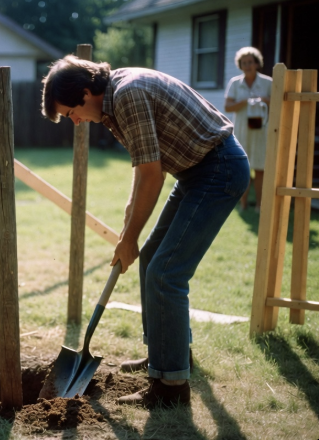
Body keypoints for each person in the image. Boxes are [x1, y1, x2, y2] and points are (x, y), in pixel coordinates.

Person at [41, 56, 250, 408]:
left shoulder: (127, 96)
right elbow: (143, 172)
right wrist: (127, 232)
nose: (75, 122)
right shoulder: (111, 105)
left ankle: (171, 386)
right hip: (195, 171)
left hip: (218, 170)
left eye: (71, 112)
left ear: (87, 92)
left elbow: (153, 175)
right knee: (152, 258)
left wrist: (129, 238)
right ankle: (167, 353)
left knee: (166, 272)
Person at [224, 47, 272, 212]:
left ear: (256, 63)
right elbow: (228, 107)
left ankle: (259, 205)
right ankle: (243, 205)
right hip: (242, 130)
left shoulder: (268, 82)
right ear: (240, 65)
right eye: (244, 63)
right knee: (244, 169)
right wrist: (244, 101)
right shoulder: (235, 83)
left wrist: (265, 100)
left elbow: (279, 104)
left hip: (261, 130)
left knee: (260, 168)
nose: (247, 66)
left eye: (250, 62)